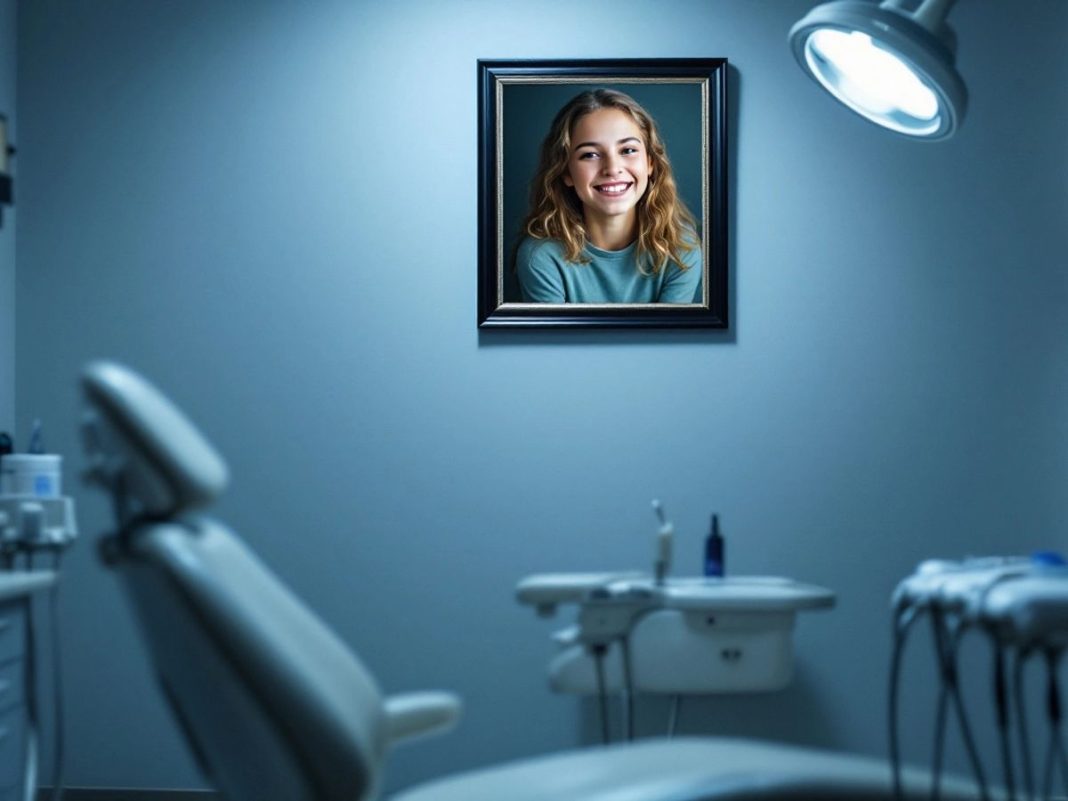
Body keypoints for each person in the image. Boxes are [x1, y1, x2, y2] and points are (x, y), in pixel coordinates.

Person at [516, 88, 702, 304]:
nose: (612, 169)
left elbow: (666, 338)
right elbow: (559, 339)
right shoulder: (540, 257)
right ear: (566, 172)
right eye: (590, 155)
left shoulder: (681, 250)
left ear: (650, 162)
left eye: (628, 150)